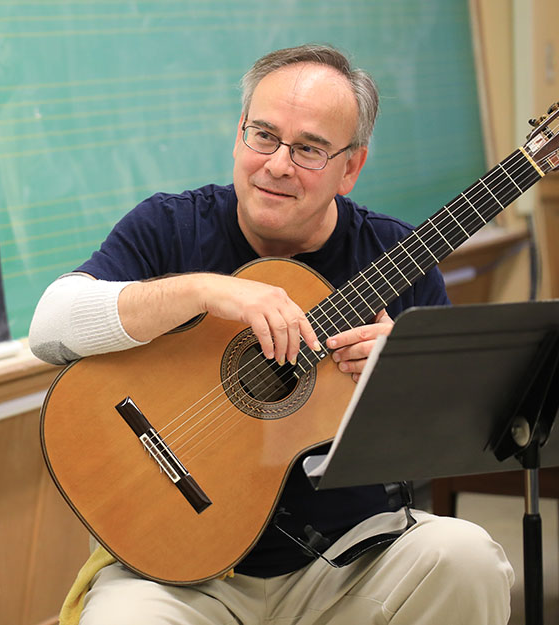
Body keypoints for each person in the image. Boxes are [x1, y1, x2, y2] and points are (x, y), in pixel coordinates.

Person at [29, 44, 514, 624]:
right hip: (181, 576)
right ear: (239, 135)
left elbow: (455, 435)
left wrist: (402, 381)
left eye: (309, 149)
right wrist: (206, 291)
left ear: (351, 167)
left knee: (470, 559)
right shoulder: (172, 225)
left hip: (344, 565)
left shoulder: (396, 257)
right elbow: (49, 328)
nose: (278, 164)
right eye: (263, 135)